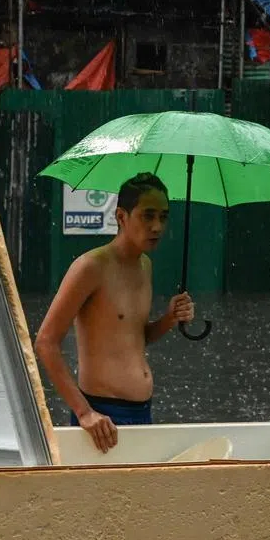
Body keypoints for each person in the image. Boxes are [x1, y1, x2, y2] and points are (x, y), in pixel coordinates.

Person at [34, 172, 195, 453]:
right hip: (103, 418)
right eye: (148, 216)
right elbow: (46, 342)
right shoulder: (90, 267)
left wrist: (170, 318)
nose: (157, 226)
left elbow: (134, 338)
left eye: (163, 216)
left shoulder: (145, 266)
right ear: (121, 216)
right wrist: (84, 413)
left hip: (143, 413)